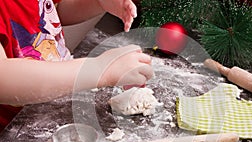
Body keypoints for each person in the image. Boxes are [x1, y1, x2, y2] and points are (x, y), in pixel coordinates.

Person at [0, 0, 153, 132]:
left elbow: (51, 12)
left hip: (59, 91)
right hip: (17, 126)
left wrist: (97, 2)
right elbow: (3, 77)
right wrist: (98, 69)